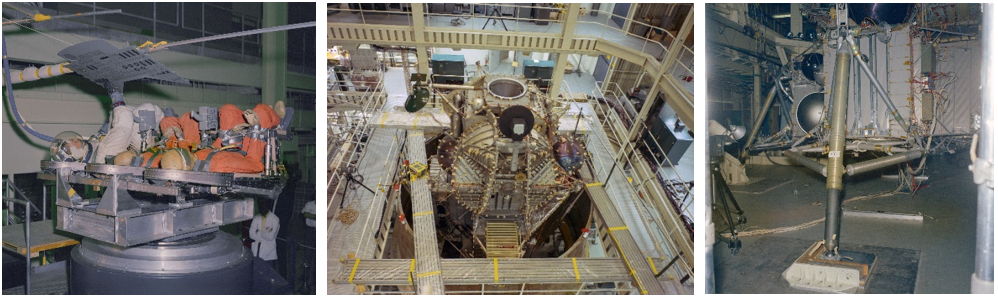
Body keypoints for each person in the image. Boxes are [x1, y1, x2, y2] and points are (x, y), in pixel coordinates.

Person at [250, 202, 280, 268]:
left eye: (263, 206)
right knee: (257, 271)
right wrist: (265, 234)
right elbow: (251, 234)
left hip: (269, 252)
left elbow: (271, 236)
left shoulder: (275, 219)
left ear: (268, 206)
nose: (261, 208)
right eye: (260, 206)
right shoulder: (256, 218)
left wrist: (259, 232)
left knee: (268, 273)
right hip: (257, 249)